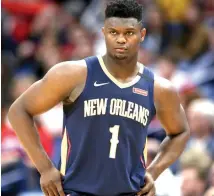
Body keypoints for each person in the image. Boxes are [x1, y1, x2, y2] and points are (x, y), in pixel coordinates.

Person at [8, 0, 190, 195]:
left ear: (142, 35)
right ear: (103, 33)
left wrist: (154, 171)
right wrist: (44, 168)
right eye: (114, 32)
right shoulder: (72, 74)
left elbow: (180, 132)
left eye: (129, 33)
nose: (121, 40)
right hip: (76, 191)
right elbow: (19, 111)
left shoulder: (158, 88)